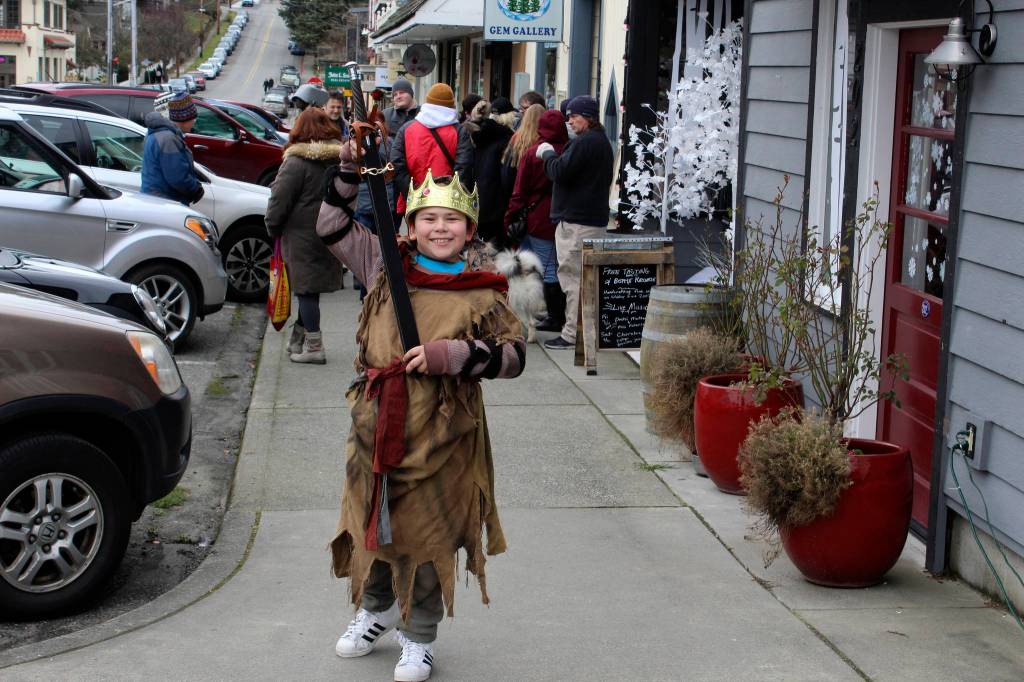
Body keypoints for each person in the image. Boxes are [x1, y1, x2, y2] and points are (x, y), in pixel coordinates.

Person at [315, 163, 526, 682]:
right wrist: (349, 169)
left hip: (443, 435)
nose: (439, 228)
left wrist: (452, 355)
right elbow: (330, 225)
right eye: (428, 218)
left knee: (428, 533)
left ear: (469, 230)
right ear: (410, 226)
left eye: (451, 220)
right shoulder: (382, 264)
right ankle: (379, 609)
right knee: (373, 523)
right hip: (375, 425)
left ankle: (419, 636)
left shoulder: (484, 290)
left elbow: (514, 357)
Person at [264, 108, 345, 364]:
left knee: (306, 291)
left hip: (300, 235)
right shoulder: (338, 160)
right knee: (310, 289)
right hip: (328, 232)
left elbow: (279, 200)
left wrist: (272, 227)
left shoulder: (296, 162)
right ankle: (297, 340)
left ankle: (314, 348)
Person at [536, 95, 614, 350]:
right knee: (581, 278)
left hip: (579, 222)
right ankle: (580, 332)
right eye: (568, 116)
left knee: (574, 279)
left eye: (574, 116)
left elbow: (559, 171)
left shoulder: (586, 142)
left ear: (588, 117)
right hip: (588, 219)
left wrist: (548, 154)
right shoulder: (599, 142)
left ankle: (572, 335)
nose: (569, 121)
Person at [505, 108, 569, 331]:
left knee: (540, 268)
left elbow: (519, 190)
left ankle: (553, 317)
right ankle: (551, 314)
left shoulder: (534, 153)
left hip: (536, 218)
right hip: (560, 217)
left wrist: (510, 217)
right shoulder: (568, 151)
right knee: (553, 265)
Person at [390, 83, 474, 218]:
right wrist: (453, 196)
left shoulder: (406, 129)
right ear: (451, 106)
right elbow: (464, 168)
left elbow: (397, 164)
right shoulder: (459, 131)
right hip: (447, 201)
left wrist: (412, 193)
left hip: (415, 200)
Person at [141, 92, 204, 206]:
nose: (195, 120)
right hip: (165, 203)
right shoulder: (168, 138)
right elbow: (177, 177)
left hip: (157, 200)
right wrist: (195, 189)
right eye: (192, 117)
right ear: (184, 118)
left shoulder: (159, 133)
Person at [464, 99, 513, 246]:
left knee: (478, 247)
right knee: (497, 249)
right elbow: (507, 177)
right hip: (497, 205)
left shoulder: (476, 135)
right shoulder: (507, 138)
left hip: (476, 200)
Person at [499, 103, 543, 227]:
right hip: (537, 202)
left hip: (516, 197)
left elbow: (506, 174)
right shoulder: (544, 142)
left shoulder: (516, 139)